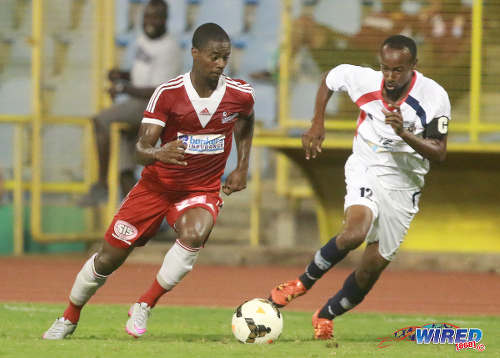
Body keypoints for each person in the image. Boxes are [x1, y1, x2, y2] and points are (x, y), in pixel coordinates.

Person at [43, 22, 255, 339]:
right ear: (195, 54)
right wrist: (158, 153)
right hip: (155, 189)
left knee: (195, 234)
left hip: (200, 189)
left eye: (225, 57)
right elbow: (141, 148)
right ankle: (69, 317)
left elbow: (247, 120)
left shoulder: (240, 94)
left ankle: (144, 303)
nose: (221, 64)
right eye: (214, 57)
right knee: (108, 259)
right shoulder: (168, 94)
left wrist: (242, 166)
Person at [268, 35, 450, 340]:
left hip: (404, 184)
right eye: (385, 68)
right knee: (354, 232)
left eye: (398, 70)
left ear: (413, 67)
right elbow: (330, 78)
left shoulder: (434, 97)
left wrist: (403, 132)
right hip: (366, 164)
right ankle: (299, 284)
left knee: (370, 269)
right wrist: (317, 122)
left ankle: (325, 315)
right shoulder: (365, 80)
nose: (390, 77)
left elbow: (439, 152)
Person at [79, 0, 182, 206]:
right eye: (147, 16)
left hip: (153, 106)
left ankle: (101, 184)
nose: (150, 21)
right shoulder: (144, 39)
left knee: (102, 120)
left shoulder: (169, 48)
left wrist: (122, 88)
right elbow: (142, 75)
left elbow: (157, 89)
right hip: (139, 102)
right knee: (124, 165)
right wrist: (122, 76)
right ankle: (142, 213)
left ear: (165, 20)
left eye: (155, 17)